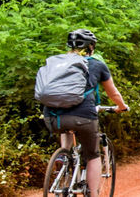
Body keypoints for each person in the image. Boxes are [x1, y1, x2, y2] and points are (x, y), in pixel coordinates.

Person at [44, 28, 129, 197]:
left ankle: (64, 155)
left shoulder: (55, 62)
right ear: (91, 47)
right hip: (84, 117)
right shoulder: (97, 64)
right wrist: (122, 106)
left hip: (52, 117)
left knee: (66, 125)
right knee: (92, 155)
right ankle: (93, 194)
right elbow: (113, 94)